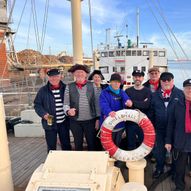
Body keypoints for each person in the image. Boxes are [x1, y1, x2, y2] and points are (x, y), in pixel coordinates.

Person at [149, 72, 184, 178]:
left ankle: (174, 171)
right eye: (164, 80)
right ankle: (159, 169)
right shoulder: (154, 95)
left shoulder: (180, 94)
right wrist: (151, 128)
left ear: (173, 81)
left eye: (169, 79)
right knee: (159, 151)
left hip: (175, 130)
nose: (166, 82)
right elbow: (151, 112)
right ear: (160, 81)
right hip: (159, 129)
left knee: (175, 152)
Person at [34, 68, 71, 152]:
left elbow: (71, 102)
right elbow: (37, 105)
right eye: (51, 77)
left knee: (66, 144)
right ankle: (51, 163)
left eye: (56, 76)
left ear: (60, 77)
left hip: (63, 123)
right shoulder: (42, 90)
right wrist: (43, 114)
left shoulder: (66, 88)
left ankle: (68, 162)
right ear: (48, 78)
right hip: (50, 122)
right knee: (51, 146)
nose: (54, 78)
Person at [165, 79, 191, 191]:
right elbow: (170, 124)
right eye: (187, 87)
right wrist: (168, 141)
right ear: (183, 89)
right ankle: (180, 187)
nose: (190, 90)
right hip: (180, 141)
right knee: (179, 169)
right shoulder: (177, 104)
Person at [64, 64, 97, 151]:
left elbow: (96, 103)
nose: (79, 74)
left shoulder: (92, 85)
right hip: (75, 121)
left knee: (92, 143)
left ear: (86, 74)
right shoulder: (69, 86)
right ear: (74, 74)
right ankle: (79, 163)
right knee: (78, 144)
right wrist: (68, 111)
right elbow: (66, 103)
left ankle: (92, 162)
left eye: (82, 72)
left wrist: (98, 118)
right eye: (77, 72)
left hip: (90, 120)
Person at [99, 73, 132, 147]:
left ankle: (116, 158)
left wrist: (129, 102)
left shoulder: (122, 92)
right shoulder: (104, 93)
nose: (116, 84)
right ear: (110, 82)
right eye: (114, 81)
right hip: (107, 123)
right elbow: (103, 105)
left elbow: (126, 99)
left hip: (120, 125)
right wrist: (109, 112)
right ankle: (107, 157)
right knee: (107, 145)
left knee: (117, 144)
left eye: (118, 82)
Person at [125, 70, 151, 150]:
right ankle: (131, 162)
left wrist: (132, 103)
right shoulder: (128, 91)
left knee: (143, 144)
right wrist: (141, 103)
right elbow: (126, 106)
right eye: (136, 77)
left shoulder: (147, 91)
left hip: (143, 123)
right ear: (133, 78)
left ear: (143, 78)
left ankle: (143, 161)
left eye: (139, 77)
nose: (137, 79)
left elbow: (146, 105)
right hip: (130, 123)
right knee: (130, 144)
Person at [88, 69, 108, 150]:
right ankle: (97, 151)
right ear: (93, 78)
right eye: (95, 77)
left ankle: (105, 150)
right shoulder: (89, 89)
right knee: (95, 135)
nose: (97, 78)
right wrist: (97, 118)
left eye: (98, 77)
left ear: (101, 78)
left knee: (105, 134)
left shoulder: (105, 88)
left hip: (104, 115)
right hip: (94, 115)